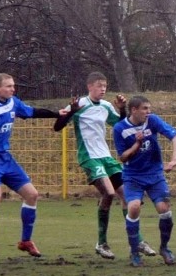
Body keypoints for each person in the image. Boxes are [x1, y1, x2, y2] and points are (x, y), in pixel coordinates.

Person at [53, 72, 156, 260]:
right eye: (100, 86)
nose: (103, 89)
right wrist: (72, 111)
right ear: (89, 86)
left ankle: (137, 240)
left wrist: (122, 109)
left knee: (127, 195)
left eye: (105, 86)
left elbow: (120, 124)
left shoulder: (107, 106)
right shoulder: (79, 104)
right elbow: (57, 126)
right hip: (89, 157)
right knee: (108, 193)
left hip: (106, 157)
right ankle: (102, 243)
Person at [0, 73, 61, 257]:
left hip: (5, 158)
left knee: (32, 194)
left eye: (13, 85)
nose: (13, 89)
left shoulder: (13, 102)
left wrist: (58, 113)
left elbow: (32, 112)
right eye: (8, 86)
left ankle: (25, 241)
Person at [113, 95, 176, 267]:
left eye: (149, 109)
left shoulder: (152, 121)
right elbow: (122, 157)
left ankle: (165, 248)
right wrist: (137, 144)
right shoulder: (119, 128)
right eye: (145, 109)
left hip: (155, 174)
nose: (148, 112)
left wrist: (173, 160)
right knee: (134, 207)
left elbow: (175, 136)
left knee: (164, 208)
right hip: (133, 176)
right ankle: (135, 251)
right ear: (134, 110)